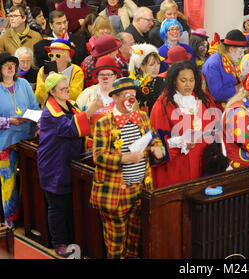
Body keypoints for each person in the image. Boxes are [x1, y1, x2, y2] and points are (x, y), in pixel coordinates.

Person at [89, 76, 165, 258]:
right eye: (125, 95)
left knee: (134, 240)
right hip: (116, 193)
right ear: (114, 98)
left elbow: (153, 138)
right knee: (116, 245)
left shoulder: (142, 117)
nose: (131, 98)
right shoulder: (104, 123)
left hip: (140, 190)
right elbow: (98, 156)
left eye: (133, 94)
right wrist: (125, 158)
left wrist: (156, 147)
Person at [37, 73, 102, 258]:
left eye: (67, 87)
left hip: (69, 161)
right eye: (63, 89)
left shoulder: (69, 103)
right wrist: (90, 111)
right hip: (54, 164)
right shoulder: (50, 112)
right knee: (57, 206)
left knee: (69, 204)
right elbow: (69, 128)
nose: (67, 90)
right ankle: (59, 242)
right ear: (52, 92)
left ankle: (72, 237)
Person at [150, 60, 218, 189]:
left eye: (191, 80)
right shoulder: (162, 105)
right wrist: (180, 142)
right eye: (183, 80)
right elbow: (156, 141)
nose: (188, 85)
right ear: (174, 81)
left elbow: (213, 126)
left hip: (201, 162)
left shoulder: (203, 99)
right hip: (176, 166)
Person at [0, 51, 40, 229]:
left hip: (27, 140)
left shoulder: (23, 83)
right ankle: (10, 218)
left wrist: (38, 125)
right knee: (8, 182)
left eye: (13, 64)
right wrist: (8, 121)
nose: (10, 68)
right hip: (5, 143)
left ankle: (29, 216)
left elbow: (35, 107)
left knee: (29, 179)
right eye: (6, 65)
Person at [76, 55, 122, 151]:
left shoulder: (123, 95)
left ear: (115, 76)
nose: (105, 78)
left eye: (109, 75)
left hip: (117, 147)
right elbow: (76, 121)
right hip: (91, 148)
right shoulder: (87, 94)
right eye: (102, 75)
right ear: (97, 76)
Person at [202, 29, 248, 110]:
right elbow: (217, 94)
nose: (242, 56)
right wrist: (240, 87)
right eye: (240, 52)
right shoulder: (213, 64)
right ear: (231, 49)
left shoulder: (230, 59)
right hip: (217, 110)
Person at [35, 38, 85, 106]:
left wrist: (55, 82)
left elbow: (75, 96)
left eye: (58, 55)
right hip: (48, 109)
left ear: (68, 56)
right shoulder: (43, 70)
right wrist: (45, 82)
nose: (54, 59)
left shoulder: (76, 71)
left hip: (68, 110)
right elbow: (39, 99)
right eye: (51, 55)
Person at [128, 43, 165, 116]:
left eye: (158, 64)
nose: (156, 68)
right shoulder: (135, 85)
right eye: (151, 65)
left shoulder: (163, 81)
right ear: (142, 66)